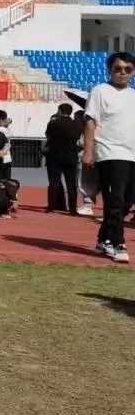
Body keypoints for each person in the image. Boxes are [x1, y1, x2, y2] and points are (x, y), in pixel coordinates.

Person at [84, 51, 135, 263]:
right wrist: (88, 151)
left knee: (127, 201)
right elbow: (90, 121)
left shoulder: (133, 95)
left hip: (132, 153)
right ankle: (117, 243)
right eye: (118, 69)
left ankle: (103, 238)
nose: (122, 73)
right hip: (109, 152)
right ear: (109, 70)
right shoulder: (100, 91)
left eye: (128, 69)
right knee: (115, 200)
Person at [45, 103, 81, 214]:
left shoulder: (53, 123)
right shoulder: (76, 125)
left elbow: (48, 135)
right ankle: (73, 209)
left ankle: (51, 206)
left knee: (53, 183)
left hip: (55, 156)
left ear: (60, 111)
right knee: (71, 184)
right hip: (71, 157)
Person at [0, 109, 14, 181]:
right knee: (6, 180)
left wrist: (5, 124)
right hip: (6, 158)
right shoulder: (5, 129)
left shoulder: (0, 129)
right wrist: (6, 124)